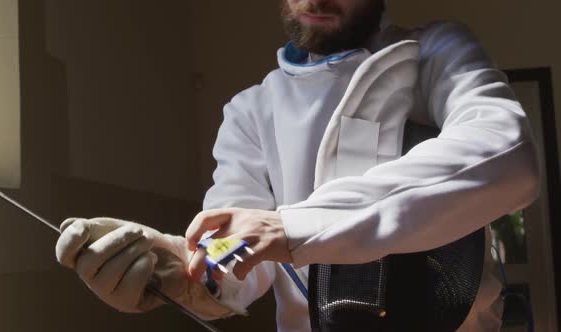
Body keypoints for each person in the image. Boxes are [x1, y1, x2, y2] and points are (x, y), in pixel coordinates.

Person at [55, 0, 541, 331]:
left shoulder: (437, 52)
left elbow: (504, 152)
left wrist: (292, 227)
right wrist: (182, 271)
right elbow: (235, 257)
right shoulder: (251, 111)